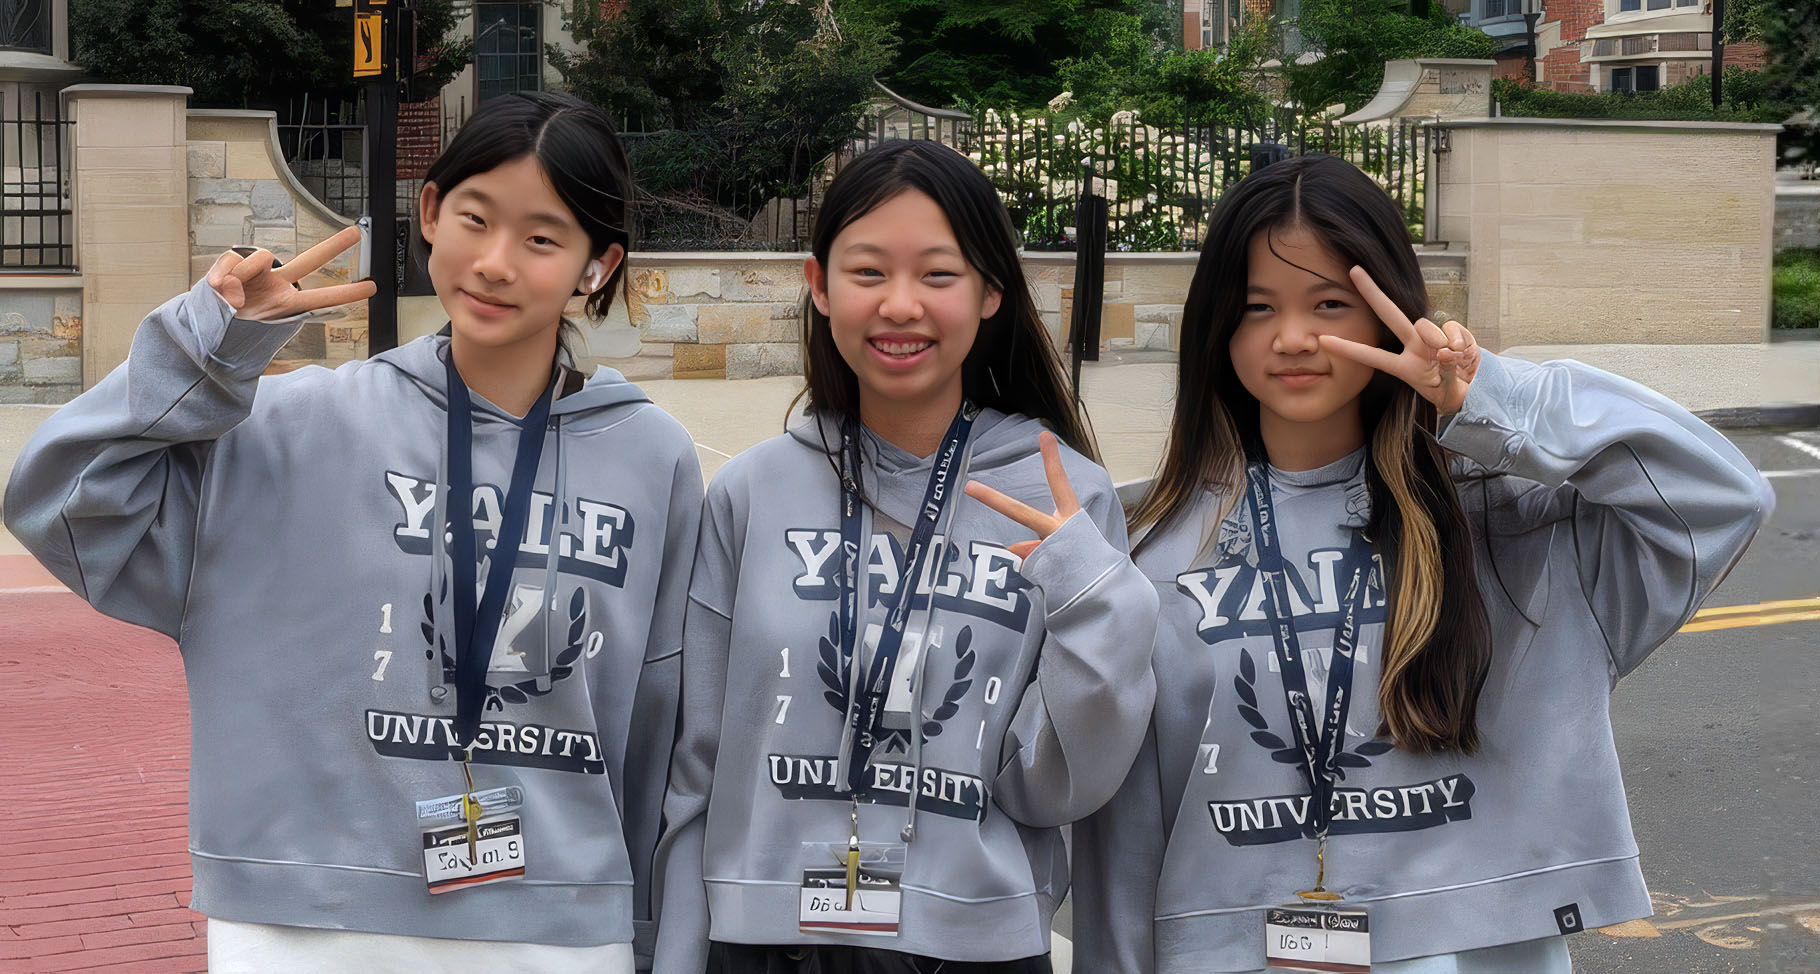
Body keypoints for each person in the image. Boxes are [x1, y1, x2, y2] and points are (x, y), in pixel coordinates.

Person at [4, 91, 701, 973]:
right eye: (475, 219)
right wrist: (203, 354)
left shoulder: (652, 455)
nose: (494, 262)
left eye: (542, 237)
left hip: (556, 930)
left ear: (596, 266)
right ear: (431, 212)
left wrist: (648, 936)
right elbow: (61, 507)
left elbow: (662, 730)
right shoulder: (284, 425)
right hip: (300, 923)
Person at [1072, 153, 1772, 973]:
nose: (1293, 337)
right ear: (1218, 326)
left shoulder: (1509, 524)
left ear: (1388, 315)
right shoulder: (1153, 552)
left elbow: (1723, 498)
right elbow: (1123, 845)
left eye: (1330, 303)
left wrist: (1494, 400)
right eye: (1257, 307)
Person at [651, 140, 1158, 973]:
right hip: (765, 938)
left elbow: (1058, 784)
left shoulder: (1062, 497)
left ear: (992, 290)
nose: (900, 305)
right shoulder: (750, 493)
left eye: (938, 274)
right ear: (818, 286)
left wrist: (1095, 595)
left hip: (973, 942)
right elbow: (701, 763)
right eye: (867, 272)